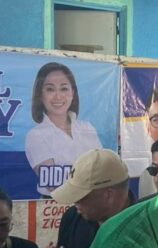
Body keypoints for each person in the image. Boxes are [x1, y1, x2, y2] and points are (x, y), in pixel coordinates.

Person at [35, 148, 135, 248]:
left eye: (80, 196)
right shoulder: (72, 217)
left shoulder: (144, 226)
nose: (75, 202)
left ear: (109, 195)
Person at [24, 62, 102, 196]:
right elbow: (53, 184)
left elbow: (102, 170)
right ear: (40, 94)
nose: (58, 96)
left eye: (64, 88)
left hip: (92, 201)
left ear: (73, 92)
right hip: (54, 205)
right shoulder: (36, 135)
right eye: (50, 89)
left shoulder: (87, 128)